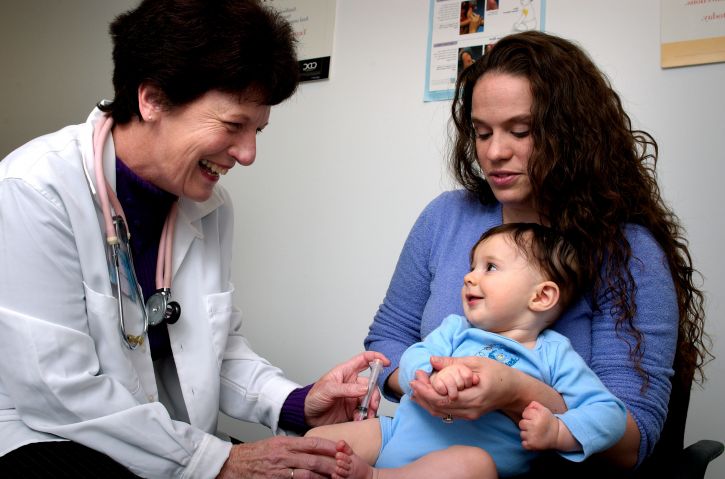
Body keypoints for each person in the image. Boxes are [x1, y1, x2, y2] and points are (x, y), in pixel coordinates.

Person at [0, 1, 388, 478]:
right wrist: (217, 460)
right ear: (152, 100)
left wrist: (296, 402)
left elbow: (214, 347)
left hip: (159, 438)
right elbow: (58, 390)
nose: (248, 154)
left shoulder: (209, 206)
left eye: (258, 130)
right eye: (233, 126)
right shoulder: (36, 189)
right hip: (45, 436)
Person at [365, 30, 710, 475]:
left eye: (520, 131)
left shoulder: (627, 253)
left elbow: (631, 442)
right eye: (481, 132)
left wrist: (513, 393)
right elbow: (387, 338)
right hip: (422, 453)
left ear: (572, 134)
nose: (494, 152)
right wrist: (425, 381)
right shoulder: (445, 218)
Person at [307, 223, 627, 478]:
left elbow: (610, 414)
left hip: (466, 465)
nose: (468, 277)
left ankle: (375, 477)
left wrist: (559, 430)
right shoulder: (456, 329)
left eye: (489, 268)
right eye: (472, 267)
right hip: (396, 434)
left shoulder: (554, 354)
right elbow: (412, 359)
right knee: (314, 445)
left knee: (471, 464)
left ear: (541, 296)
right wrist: (434, 373)